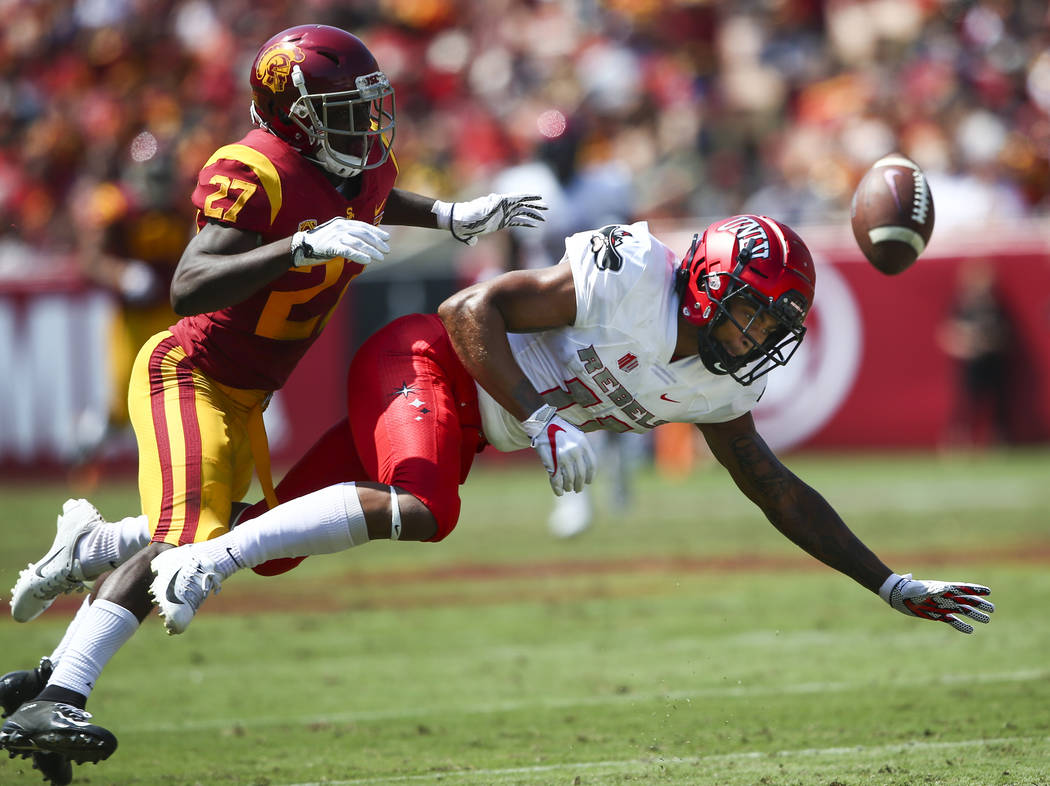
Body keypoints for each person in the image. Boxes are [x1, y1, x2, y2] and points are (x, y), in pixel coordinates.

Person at [1, 215, 995, 772]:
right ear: (706, 285)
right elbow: (470, 306)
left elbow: (772, 485)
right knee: (428, 508)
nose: (757, 337)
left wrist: (884, 580)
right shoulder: (636, 273)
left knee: (280, 536)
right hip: (426, 360)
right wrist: (550, 411)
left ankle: (91, 563)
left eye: (773, 322)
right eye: (751, 311)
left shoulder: (721, 379)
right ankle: (206, 557)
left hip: (464, 418)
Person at [0, 23, 545, 783]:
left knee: (228, 538)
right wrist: (300, 246)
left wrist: (451, 216)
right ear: (295, 114)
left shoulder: (354, 167)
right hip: (189, 373)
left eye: (369, 106)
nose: (368, 126)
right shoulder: (255, 168)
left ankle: (84, 569)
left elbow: (376, 195)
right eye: (346, 110)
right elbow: (189, 284)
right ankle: (62, 692)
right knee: (190, 537)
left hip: (246, 395)